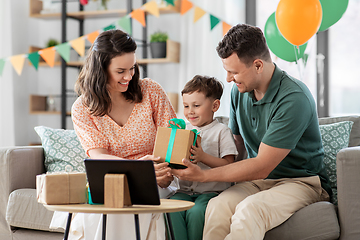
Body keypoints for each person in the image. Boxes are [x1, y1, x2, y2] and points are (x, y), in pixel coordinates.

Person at [172, 24, 331, 240]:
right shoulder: (240, 92)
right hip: (257, 182)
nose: (228, 79)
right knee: (217, 206)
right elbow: (237, 150)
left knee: (250, 210)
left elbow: (261, 166)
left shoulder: (294, 98)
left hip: (300, 182)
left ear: (258, 65)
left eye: (234, 72)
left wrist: (204, 175)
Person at [50, 29, 177, 240]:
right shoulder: (82, 108)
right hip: (112, 182)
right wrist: (139, 170)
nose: (129, 76)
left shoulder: (151, 92)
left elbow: (172, 140)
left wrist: (164, 173)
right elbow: (98, 156)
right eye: (120, 71)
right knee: (106, 210)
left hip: (156, 179)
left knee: (129, 206)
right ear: (101, 69)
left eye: (133, 68)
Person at [169, 75, 238, 240]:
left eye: (196, 105)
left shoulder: (222, 131)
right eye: (186, 106)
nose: (190, 111)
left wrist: (203, 157)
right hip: (184, 191)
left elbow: (229, 164)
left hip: (210, 192)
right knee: (171, 209)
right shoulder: (183, 129)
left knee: (196, 212)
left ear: (215, 106)